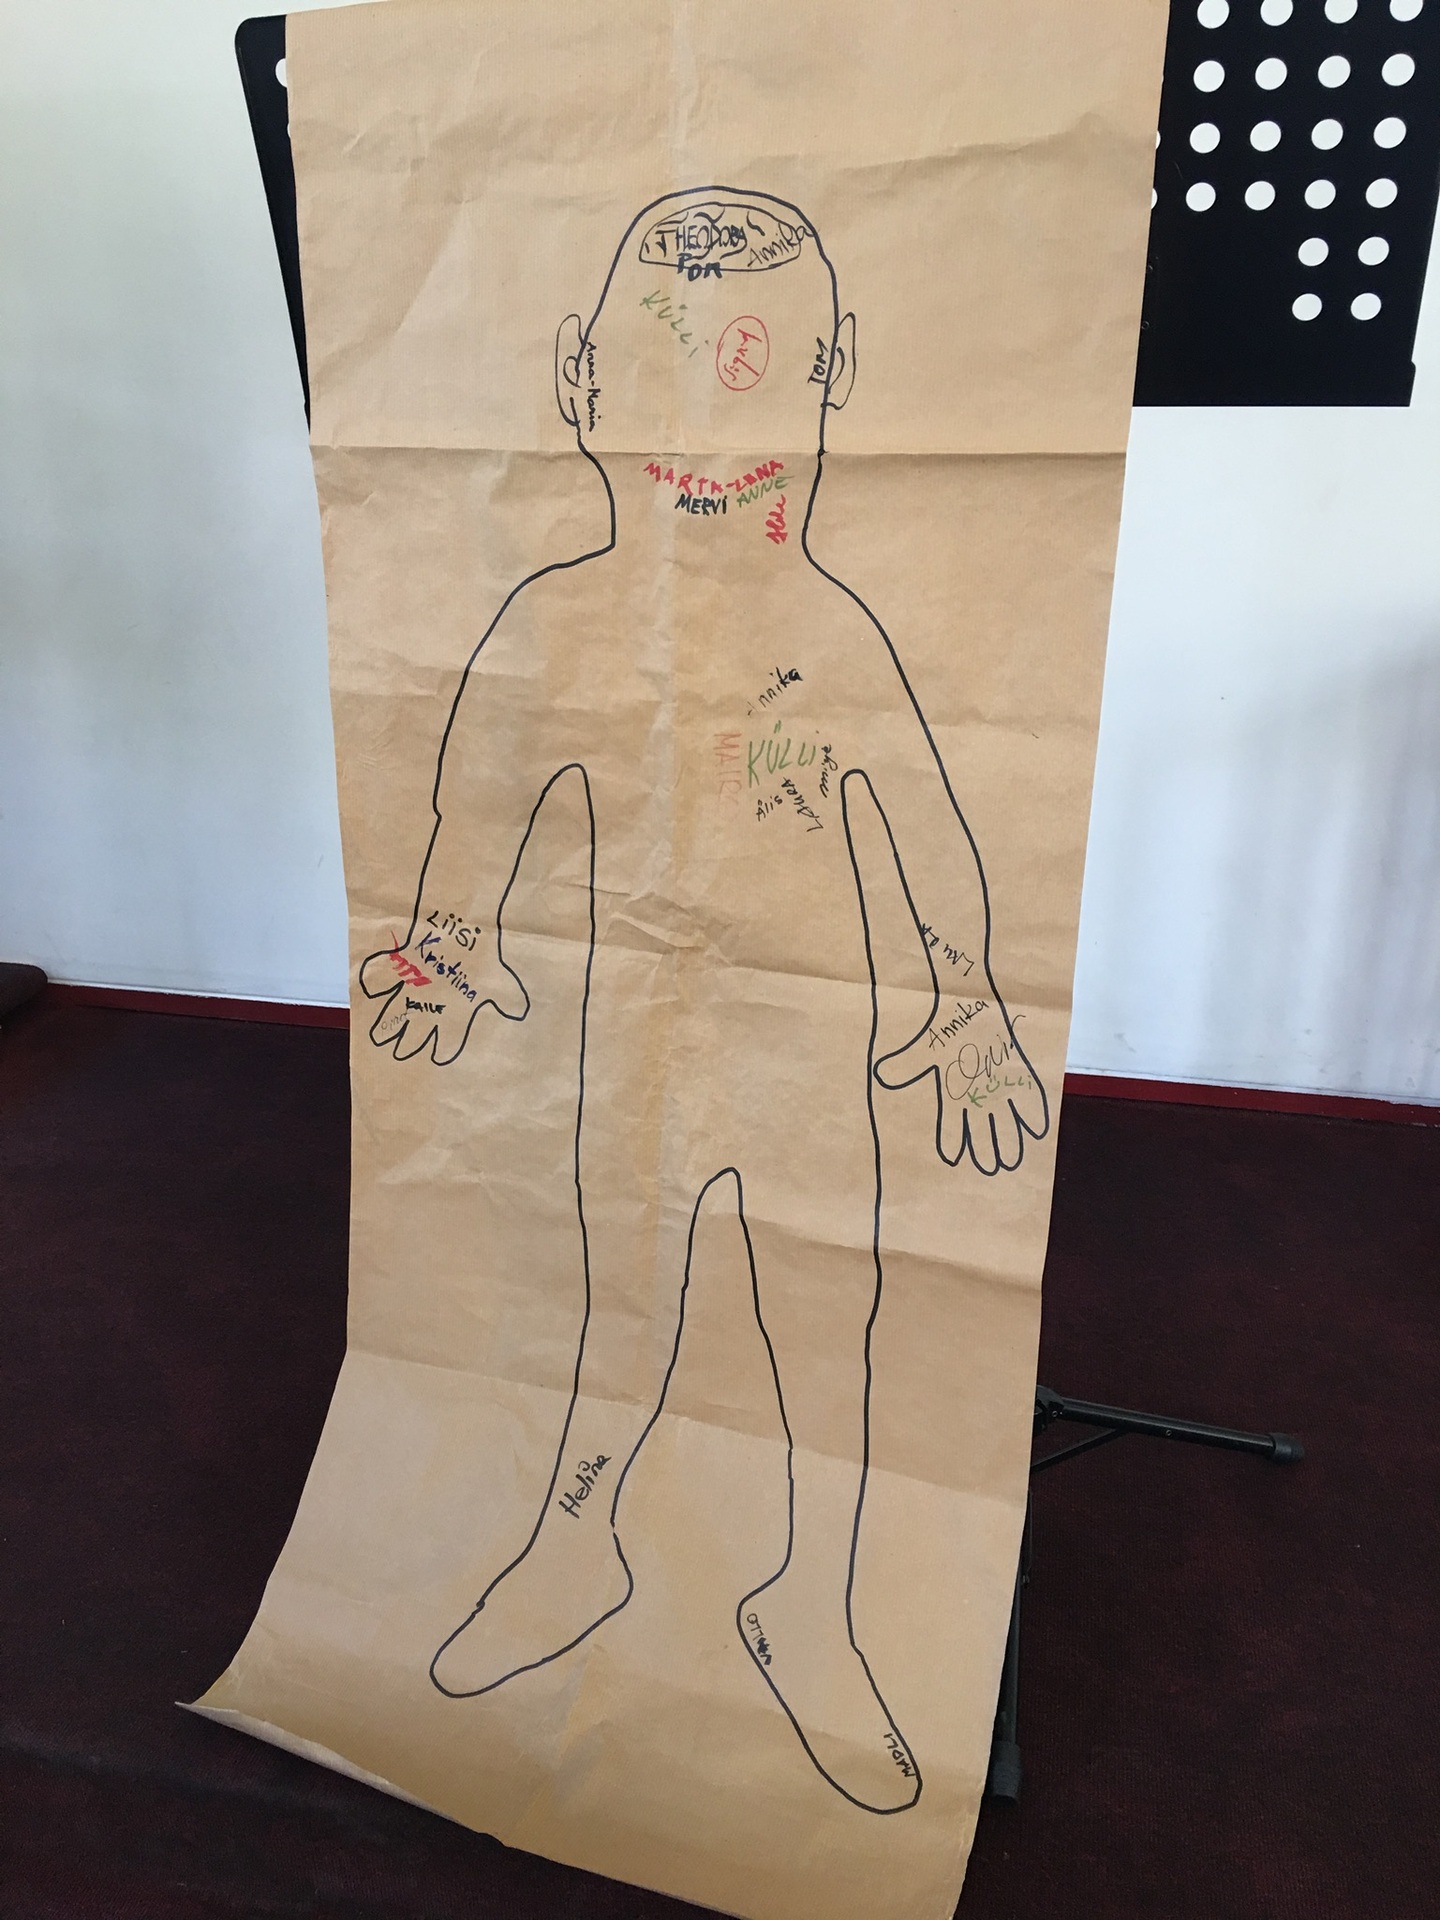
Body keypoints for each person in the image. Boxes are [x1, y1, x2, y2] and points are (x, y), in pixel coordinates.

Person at [359, 188, 1046, 1815]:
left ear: (832, 379)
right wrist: (450, 938)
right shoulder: (558, 623)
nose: (710, 437)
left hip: (812, 1050)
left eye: (755, 369)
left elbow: (931, 838)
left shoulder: (838, 637)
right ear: (582, 382)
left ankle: (813, 1601)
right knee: (625, 1305)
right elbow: (480, 803)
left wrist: (965, 1002)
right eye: (676, 377)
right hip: (637, 1039)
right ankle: (577, 1538)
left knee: (826, 1320)